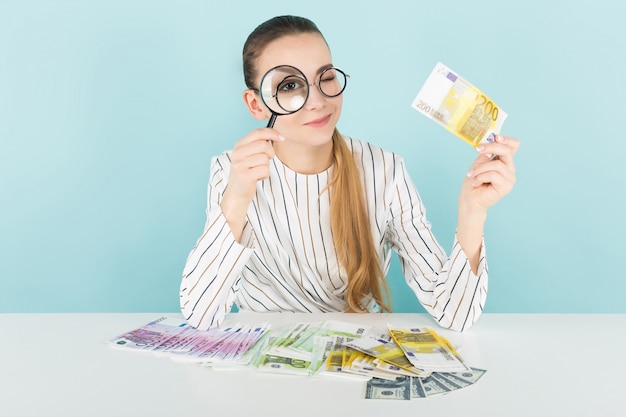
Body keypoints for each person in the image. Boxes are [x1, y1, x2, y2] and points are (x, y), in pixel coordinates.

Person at [180, 15, 519, 332]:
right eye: (289, 86)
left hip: (355, 357)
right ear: (256, 105)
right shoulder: (230, 172)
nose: (316, 101)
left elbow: (455, 314)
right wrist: (237, 197)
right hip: (265, 362)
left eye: (325, 77)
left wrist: (473, 211)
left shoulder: (385, 170)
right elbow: (200, 314)